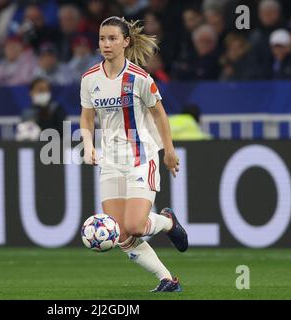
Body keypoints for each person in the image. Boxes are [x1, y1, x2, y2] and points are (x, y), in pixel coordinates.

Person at [79, 16, 188, 293]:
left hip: (141, 158)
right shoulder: (90, 79)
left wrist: (169, 150)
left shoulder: (140, 79)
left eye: (113, 38)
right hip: (111, 161)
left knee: (136, 225)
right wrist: (89, 145)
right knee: (122, 234)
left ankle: (167, 221)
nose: (106, 44)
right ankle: (167, 280)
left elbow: (160, 115)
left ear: (126, 42)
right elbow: (86, 119)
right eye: (102, 38)